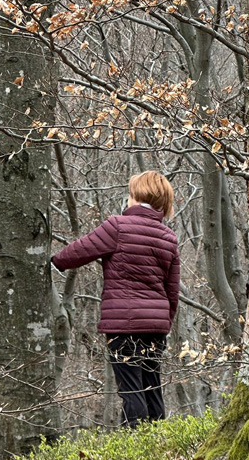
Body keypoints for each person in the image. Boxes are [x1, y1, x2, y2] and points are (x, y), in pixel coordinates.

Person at [51, 171, 180, 427]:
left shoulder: (118, 226)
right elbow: (172, 292)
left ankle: (137, 455)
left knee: (131, 391)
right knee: (152, 389)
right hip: (156, 327)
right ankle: (159, 448)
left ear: (137, 195)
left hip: (124, 325)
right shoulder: (168, 237)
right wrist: (163, 323)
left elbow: (81, 250)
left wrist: (54, 262)